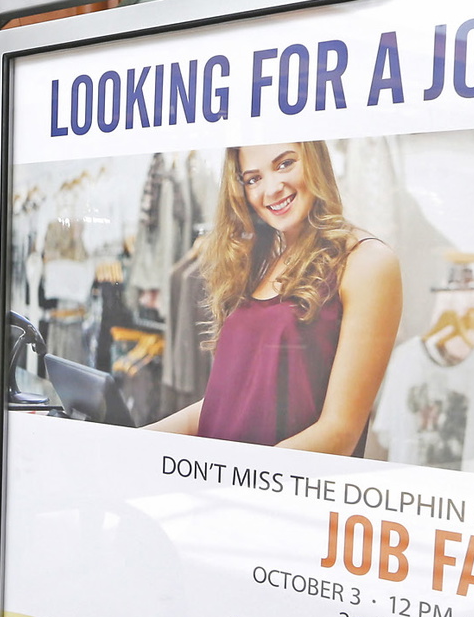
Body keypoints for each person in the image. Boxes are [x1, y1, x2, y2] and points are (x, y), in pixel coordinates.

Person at [146, 142, 402, 453]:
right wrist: (136, 441)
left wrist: (237, 480)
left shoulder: (366, 261)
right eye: (253, 179)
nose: (272, 189)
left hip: (276, 491)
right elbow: (227, 404)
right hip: (219, 483)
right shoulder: (257, 260)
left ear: (315, 160)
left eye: (285, 164)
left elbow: (339, 432)